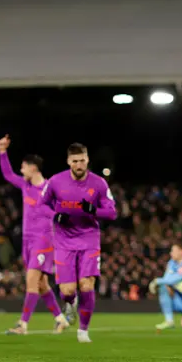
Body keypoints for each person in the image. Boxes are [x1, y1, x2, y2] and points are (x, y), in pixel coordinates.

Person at [40, 143, 117, 343]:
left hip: (89, 239)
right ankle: (70, 302)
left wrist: (93, 211)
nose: (79, 164)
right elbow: (43, 205)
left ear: (87, 159)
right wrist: (55, 216)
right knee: (67, 291)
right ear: (68, 162)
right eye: (75, 161)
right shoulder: (56, 181)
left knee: (86, 284)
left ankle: (83, 330)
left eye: (82, 160)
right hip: (64, 241)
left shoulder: (99, 184)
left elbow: (112, 212)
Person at [0, 135, 69, 335]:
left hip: (44, 240)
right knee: (42, 284)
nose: (21, 171)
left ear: (33, 168)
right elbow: (8, 174)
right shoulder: (26, 186)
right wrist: (2, 151)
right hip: (27, 241)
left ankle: (23, 325)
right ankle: (60, 319)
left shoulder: (49, 189)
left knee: (31, 280)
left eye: (23, 167)